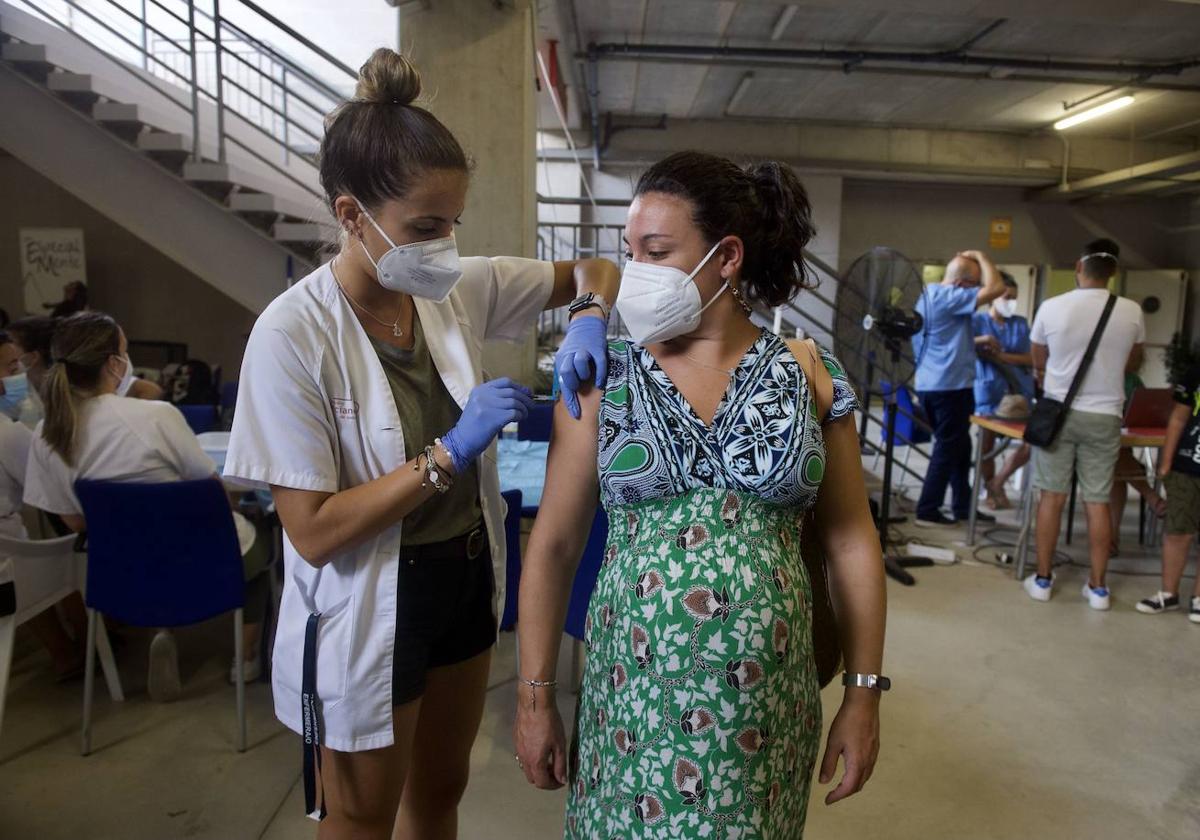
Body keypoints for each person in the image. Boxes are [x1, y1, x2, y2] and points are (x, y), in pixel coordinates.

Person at [222, 49, 619, 839]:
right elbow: (313, 529)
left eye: (452, 226)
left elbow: (597, 268)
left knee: (439, 795)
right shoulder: (293, 334)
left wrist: (588, 316)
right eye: (425, 228)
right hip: (370, 599)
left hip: (464, 577)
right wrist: (448, 452)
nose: (444, 246)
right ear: (349, 215)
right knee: (362, 817)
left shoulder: (451, 287)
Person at [512, 152, 887, 838]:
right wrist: (535, 697)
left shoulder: (809, 374)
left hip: (765, 717)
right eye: (631, 253)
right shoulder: (603, 377)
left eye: (656, 252)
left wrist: (864, 694)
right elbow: (555, 543)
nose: (636, 273)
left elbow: (850, 538)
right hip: (633, 710)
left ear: (727, 257)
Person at [22, 312, 271, 696]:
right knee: (258, 556)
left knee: (155, 554)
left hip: (119, 575)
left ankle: (162, 631)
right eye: (124, 351)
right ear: (114, 364)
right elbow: (214, 496)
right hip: (202, 562)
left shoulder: (47, 433)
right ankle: (246, 660)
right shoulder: (156, 417)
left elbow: (73, 522)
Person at [1024, 239, 1145, 609]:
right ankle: (1098, 588)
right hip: (1106, 414)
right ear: (1113, 272)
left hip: (1059, 413)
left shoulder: (1052, 307)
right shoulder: (1131, 311)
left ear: (1079, 267)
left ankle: (1043, 579)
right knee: (1097, 500)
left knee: (1052, 497)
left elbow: (1038, 359)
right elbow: (1134, 362)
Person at [911, 251, 1006, 526]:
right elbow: (997, 288)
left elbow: (943, 338)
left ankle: (963, 507)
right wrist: (981, 255)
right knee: (947, 448)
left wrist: (976, 341)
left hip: (933, 384)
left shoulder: (929, 295)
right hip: (949, 388)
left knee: (960, 449)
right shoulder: (950, 296)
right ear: (963, 284)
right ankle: (927, 509)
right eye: (975, 284)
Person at [1135, 360, 1200, 622]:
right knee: (1177, 530)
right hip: (1187, 464)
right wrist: (1166, 461)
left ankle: (1198, 598)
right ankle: (1169, 593)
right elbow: (1178, 417)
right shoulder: (1195, 370)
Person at [972, 272, 1034, 509]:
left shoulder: (1020, 324)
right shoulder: (978, 322)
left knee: (1031, 441)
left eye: (1014, 298)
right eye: (1007, 297)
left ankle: (998, 481)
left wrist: (1000, 356)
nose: (1011, 302)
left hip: (1019, 395)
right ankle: (991, 491)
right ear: (993, 298)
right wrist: (983, 341)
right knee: (986, 446)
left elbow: (1030, 358)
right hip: (989, 391)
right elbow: (968, 344)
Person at [1108, 371, 1166, 555]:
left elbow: (1144, 408)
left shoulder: (1132, 379)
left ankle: (1112, 536)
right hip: (1090, 442)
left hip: (1119, 440)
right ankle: (1151, 496)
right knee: (1114, 453)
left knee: (1115, 459)